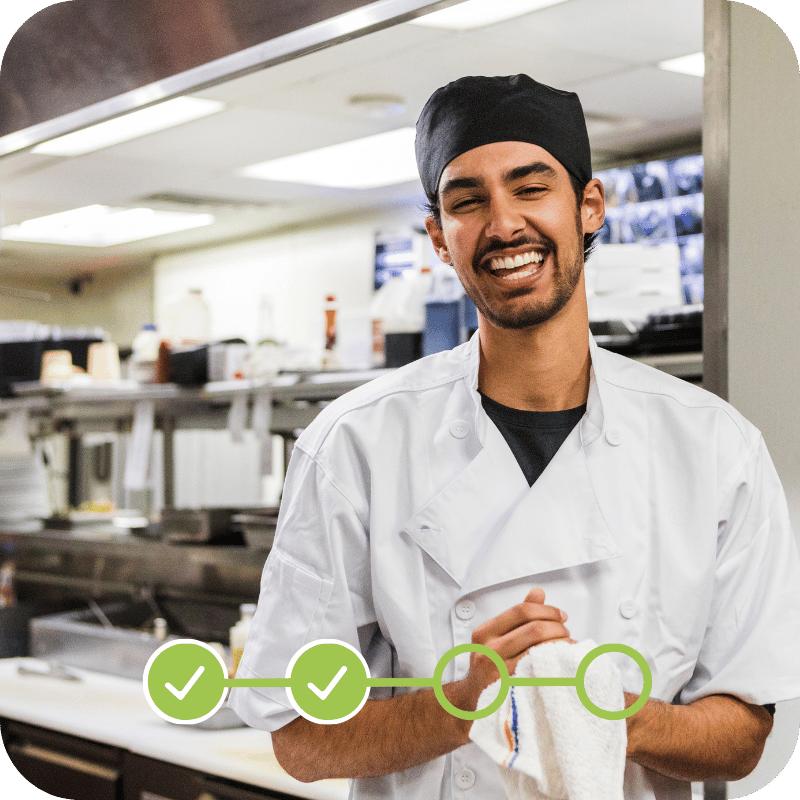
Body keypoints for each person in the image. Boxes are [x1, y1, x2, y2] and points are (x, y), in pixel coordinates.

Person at [228, 74, 800, 800]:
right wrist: (464, 702)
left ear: (590, 207)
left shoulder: (716, 448)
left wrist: (589, 708)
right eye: (467, 201)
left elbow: (744, 734)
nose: (503, 225)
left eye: (531, 188)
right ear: (439, 237)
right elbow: (301, 741)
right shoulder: (354, 446)